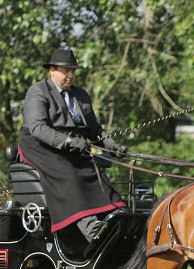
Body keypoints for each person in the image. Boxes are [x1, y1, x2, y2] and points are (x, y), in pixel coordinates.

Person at [20, 47, 128, 242]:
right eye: (65, 71)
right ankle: (89, 226)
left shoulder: (81, 95)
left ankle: (117, 215)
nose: (70, 75)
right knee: (68, 173)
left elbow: (94, 128)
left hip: (74, 146)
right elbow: (37, 127)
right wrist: (68, 141)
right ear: (52, 70)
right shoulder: (37, 91)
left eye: (73, 71)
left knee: (94, 171)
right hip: (41, 146)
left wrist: (112, 145)